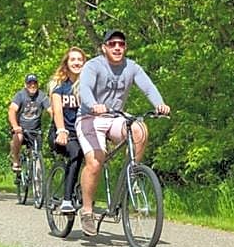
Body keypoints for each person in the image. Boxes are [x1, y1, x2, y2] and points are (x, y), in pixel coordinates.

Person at [76, 30, 171, 236]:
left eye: (121, 44)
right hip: (89, 118)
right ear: (104, 47)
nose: (117, 47)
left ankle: (133, 175)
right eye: (112, 44)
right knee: (95, 161)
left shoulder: (131, 67)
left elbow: (148, 88)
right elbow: (84, 89)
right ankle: (87, 210)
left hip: (115, 117)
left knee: (140, 129)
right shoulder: (93, 66)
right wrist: (93, 105)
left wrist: (160, 104)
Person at [48, 47, 87, 212]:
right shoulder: (60, 88)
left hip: (83, 134)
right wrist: (61, 131)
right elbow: (57, 111)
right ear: (66, 63)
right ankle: (66, 200)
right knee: (76, 153)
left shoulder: (88, 87)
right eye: (73, 59)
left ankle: (86, 195)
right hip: (62, 134)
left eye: (80, 60)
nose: (77, 62)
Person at [8, 73, 51, 171]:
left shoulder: (42, 96)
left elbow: (51, 110)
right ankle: (16, 160)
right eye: (29, 83)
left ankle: (37, 178)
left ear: (37, 84)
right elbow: (12, 110)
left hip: (35, 130)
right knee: (18, 136)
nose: (32, 86)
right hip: (21, 129)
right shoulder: (20, 95)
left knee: (37, 153)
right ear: (25, 85)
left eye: (34, 83)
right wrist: (15, 126)